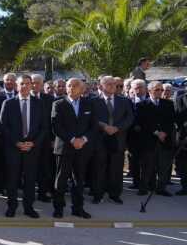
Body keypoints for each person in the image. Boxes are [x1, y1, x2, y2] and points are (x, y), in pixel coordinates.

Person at [0, 75, 45, 218]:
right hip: (13, 148)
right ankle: (11, 207)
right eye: (21, 84)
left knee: (30, 180)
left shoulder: (40, 103)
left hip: (32, 148)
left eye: (27, 84)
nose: (24, 86)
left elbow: (44, 127)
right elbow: (3, 126)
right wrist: (16, 143)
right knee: (12, 179)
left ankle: (29, 207)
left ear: (31, 85)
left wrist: (33, 143)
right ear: (16, 86)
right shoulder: (8, 103)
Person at [51, 78, 96, 218]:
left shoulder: (89, 104)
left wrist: (83, 140)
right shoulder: (58, 103)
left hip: (82, 148)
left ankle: (78, 208)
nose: (71, 87)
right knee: (61, 179)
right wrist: (72, 140)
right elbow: (56, 126)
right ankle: (58, 208)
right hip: (65, 147)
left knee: (79, 180)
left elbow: (93, 126)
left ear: (82, 88)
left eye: (75, 85)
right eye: (69, 85)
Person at [90, 76, 134, 204]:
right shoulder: (93, 101)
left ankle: (115, 194)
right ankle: (98, 194)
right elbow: (91, 118)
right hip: (100, 139)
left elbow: (129, 118)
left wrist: (117, 128)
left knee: (116, 168)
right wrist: (103, 126)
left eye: (114, 84)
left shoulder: (124, 101)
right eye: (108, 84)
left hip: (117, 138)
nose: (112, 86)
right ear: (101, 86)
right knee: (99, 167)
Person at [135, 81, 177, 197]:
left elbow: (171, 121)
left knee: (163, 166)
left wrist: (165, 133)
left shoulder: (168, 104)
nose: (160, 92)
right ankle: (144, 187)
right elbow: (142, 122)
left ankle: (161, 188)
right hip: (149, 140)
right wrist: (156, 132)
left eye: (161, 90)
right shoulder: (142, 105)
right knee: (147, 166)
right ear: (150, 91)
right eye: (157, 90)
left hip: (165, 139)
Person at [30, 74, 55, 202]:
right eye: (33, 82)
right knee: (29, 169)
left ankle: (42, 192)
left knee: (45, 167)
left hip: (45, 140)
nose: (35, 85)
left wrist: (52, 139)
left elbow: (53, 121)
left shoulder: (49, 99)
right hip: (28, 140)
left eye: (38, 83)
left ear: (42, 84)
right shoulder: (25, 98)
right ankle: (28, 194)